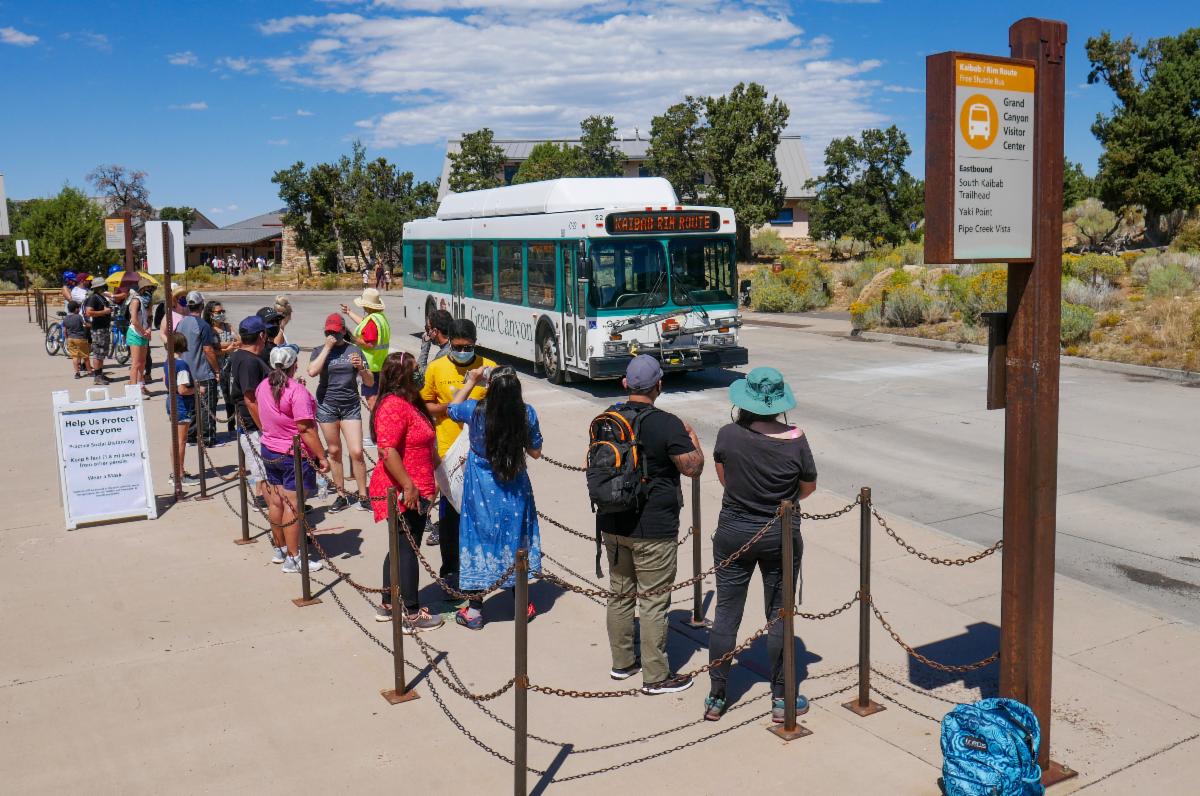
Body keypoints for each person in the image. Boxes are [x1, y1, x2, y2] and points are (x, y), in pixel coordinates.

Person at [704, 367, 817, 723]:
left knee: (726, 613)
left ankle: (717, 695)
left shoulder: (728, 434)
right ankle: (782, 697)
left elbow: (725, 478)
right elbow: (808, 487)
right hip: (778, 533)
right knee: (779, 614)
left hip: (734, 530)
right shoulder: (796, 440)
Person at [598, 355, 705, 695]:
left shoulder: (607, 420)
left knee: (620, 595)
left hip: (612, 522)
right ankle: (656, 676)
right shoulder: (667, 424)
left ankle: (622, 663)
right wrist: (693, 439)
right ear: (659, 385)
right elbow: (693, 468)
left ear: (625, 384)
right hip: (654, 528)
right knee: (654, 601)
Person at [445, 365, 543, 630]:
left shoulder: (475, 411)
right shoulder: (526, 413)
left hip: (480, 489)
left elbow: (452, 409)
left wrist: (471, 380)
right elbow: (535, 452)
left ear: (490, 387)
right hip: (514, 488)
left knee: (478, 539)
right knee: (515, 539)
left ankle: (475, 611)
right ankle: (521, 604)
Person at [367, 352, 444, 632]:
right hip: (402, 491)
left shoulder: (409, 401)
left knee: (400, 546)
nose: (419, 373)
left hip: (418, 487)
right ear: (402, 376)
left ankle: (389, 603)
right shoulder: (392, 406)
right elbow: (387, 450)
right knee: (408, 548)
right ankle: (411, 613)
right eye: (414, 370)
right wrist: (409, 485)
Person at [421, 318, 497, 599]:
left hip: (481, 454)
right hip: (447, 452)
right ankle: (451, 571)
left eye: (469, 347)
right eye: (458, 346)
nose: (463, 351)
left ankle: (482, 571)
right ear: (450, 343)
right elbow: (426, 404)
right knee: (451, 517)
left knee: (481, 517)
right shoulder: (436, 368)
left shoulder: (489, 367)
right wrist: (450, 407)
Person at [255, 345, 329, 574]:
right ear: (294, 365)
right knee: (293, 506)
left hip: (270, 449)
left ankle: (280, 549)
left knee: (276, 502)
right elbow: (306, 429)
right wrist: (321, 456)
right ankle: (293, 557)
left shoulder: (263, 386)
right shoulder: (297, 392)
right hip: (292, 454)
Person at [308, 313, 374, 512]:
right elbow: (312, 371)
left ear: (343, 331)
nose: (332, 336)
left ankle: (363, 495)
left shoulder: (354, 350)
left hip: (350, 406)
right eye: (328, 332)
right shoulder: (319, 351)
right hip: (327, 406)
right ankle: (341, 495)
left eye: (336, 332)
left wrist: (361, 368)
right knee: (335, 451)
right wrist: (327, 348)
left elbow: (370, 381)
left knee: (356, 451)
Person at [228, 316, 271, 521]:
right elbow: (250, 398)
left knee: (261, 471)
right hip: (254, 427)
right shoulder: (249, 361)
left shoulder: (239, 356)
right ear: (261, 335)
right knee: (265, 471)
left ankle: (262, 497)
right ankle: (268, 504)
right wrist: (266, 428)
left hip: (250, 425)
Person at [177, 291, 220, 448]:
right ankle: (208, 438)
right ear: (201, 305)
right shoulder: (203, 325)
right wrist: (217, 370)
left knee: (192, 407)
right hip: (203, 373)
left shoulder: (181, 323)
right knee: (207, 407)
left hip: (187, 372)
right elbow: (208, 350)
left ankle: (192, 436)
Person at [341, 287, 390, 413]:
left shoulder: (373, 321)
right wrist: (349, 312)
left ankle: (377, 421)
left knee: (372, 399)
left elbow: (369, 344)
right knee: (379, 397)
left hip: (370, 366)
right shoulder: (378, 318)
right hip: (380, 363)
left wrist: (352, 339)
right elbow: (364, 324)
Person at [166, 331, 199, 487]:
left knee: (175, 440)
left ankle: (177, 471)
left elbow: (165, 379)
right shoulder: (182, 365)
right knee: (181, 441)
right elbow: (183, 389)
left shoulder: (168, 361)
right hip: (181, 404)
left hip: (171, 401)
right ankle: (179, 474)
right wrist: (197, 389)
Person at [204, 300, 238, 435]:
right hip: (215, 368)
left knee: (230, 397)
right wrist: (226, 348)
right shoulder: (209, 329)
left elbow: (239, 340)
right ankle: (211, 430)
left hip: (230, 367)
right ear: (211, 314)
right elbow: (211, 348)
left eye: (223, 311)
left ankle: (232, 426)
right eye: (218, 312)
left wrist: (222, 347)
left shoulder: (228, 326)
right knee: (213, 400)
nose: (221, 314)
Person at [125, 282, 155, 396]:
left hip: (144, 333)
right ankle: (133, 390)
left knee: (143, 362)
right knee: (136, 363)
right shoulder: (135, 300)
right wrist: (144, 332)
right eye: (147, 287)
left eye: (150, 288)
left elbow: (149, 318)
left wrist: (149, 329)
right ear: (142, 289)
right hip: (135, 333)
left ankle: (141, 386)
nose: (149, 290)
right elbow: (134, 320)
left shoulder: (148, 301)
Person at [83, 277, 113, 385]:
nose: (105, 287)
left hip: (103, 328)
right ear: (99, 287)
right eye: (103, 285)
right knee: (98, 353)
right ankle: (97, 377)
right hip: (98, 329)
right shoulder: (93, 298)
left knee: (102, 353)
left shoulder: (101, 297)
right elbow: (88, 312)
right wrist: (104, 312)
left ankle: (100, 374)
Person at [417, 308, 453, 380]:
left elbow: (421, 373)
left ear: (435, 331)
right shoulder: (454, 345)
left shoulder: (444, 354)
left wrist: (425, 343)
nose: (427, 332)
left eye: (428, 328)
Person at [63, 300, 90, 379]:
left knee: (75, 357)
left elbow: (64, 331)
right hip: (80, 338)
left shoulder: (66, 318)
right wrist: (91, 325)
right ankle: (89, 371)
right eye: (78, 308)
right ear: (76, 309)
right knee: (85, 356)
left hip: (70, 339)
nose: (79, 309)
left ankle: (77, 373)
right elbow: (85, 324)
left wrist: (67, 338)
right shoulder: (78, 316)